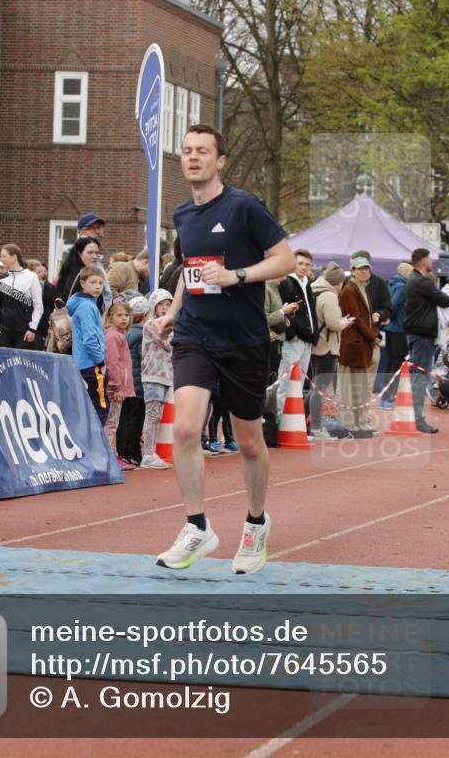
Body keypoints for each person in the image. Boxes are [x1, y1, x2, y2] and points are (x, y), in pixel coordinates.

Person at [153, 123, 294, 572]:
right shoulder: (182, 215)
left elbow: (286, 259)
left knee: (250, 442)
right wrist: (174, 311)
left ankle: (256, 524)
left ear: (220, 161)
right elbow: (191, 271)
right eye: (187, 150)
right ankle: (197, 526)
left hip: (243, 340)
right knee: (187, 429)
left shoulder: (243, 207)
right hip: (196, 336)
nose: (193, 157)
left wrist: (237, 276)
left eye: (202, 151)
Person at [404, 247, 449, 434]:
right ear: (424, 262)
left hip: (419, 334)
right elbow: (446, 301)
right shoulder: (422, 282)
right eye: (430, 260)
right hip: (422, 336)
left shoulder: (413, 280)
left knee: (418, 377)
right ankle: (417, 419)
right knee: (420, 378)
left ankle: (414, 417)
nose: (431, 263)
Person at [336, 256, 381, 438]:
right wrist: (373, 336)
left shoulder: (363, 289)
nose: (363, 271)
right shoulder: (349, 290)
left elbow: (368, 318)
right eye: (360, 268)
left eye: (366, 268)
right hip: (352, 345)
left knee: (361, 388)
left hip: (363, 345)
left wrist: (373, 334)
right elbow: (355, 318)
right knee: (350, 388)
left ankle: (360, 422)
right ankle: (350, 424)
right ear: (352, 270)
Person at [310, 262, 353, 438]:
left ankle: (314, 425)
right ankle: (316, 428)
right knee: (319, 388)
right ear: (339, 282)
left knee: (315, 386)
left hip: (315, 345)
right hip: (326, 347)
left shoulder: (315, 290)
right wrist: (346, 322)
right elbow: (334, 324)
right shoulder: (329, 296)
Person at [275, 250, 319, 419]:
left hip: (307, 340)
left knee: (298, 384)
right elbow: (281, 311)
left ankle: (293, 423)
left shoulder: (307, 283)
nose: (303, 267)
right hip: (293, 340)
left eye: (307, 264)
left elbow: (311, 312)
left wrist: (313, 335)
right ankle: (280, 422)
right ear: (293, 263)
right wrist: (290, 334)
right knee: (286, 384)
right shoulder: (286, 282)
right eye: (300, 263)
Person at [350, 250, 392, 421]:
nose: (357, 269)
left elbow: (388, 309)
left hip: (372, 340)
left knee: (367, 381)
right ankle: (349, 414)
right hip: (351, 340)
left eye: (361, 266)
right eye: (354, 265)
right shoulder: (348, 284)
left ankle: (363, 415)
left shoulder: (379, 284)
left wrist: (380, 315)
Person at [67, 266, 109, 428]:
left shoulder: (84, 304)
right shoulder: (87, 306)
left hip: (83, 364)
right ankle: (97, 449)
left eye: (100, 282)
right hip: (92, 365)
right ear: (82, 283)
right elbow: (90, 339)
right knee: (100, 407)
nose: (98, 286)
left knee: (87, 407)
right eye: (93, 282)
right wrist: (101, 362)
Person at [141, 288, 175, 470]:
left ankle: (151, 451)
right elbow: (170, 343)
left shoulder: (171, 326)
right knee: (152, 415)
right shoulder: (152, 325)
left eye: (168, 305)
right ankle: (148, 454)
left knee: (157, 415)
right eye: (161, 304)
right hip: (153, 375)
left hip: (166, 376)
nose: (164, 308)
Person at [103, 299, 136, 470]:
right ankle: (108, 457)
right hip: (115, 388)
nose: (124, 318)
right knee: (111, 422)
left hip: (119, 387)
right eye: (119, 315)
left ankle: (110, 453)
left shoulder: (118, 335)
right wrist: (116, 387)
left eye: (126, 315)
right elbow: (112, 362)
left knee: (113, 422)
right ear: (110, 317)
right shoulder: (113, 336)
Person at [117, 294, 148, 466]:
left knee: (123, 417)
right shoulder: (143, 335)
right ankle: (133, 453)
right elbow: (144, 358)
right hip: (138, 385)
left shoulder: (123, 335)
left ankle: (123, 452)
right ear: (145, 315)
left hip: (124, 382)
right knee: (136, 419)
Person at [0, 242, 43, 349]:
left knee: (20, 364)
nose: (1, 259)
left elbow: (38, 305)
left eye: (4, 256)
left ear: (14, 257)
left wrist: (32, 329)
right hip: (5, 331)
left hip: (24, 331)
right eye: (0, 256)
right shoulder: (1, 279)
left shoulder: (31, 277)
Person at [381, 261, 412, 407]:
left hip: (391, 330)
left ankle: (385, 397)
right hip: (398, 330)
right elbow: (392, 305)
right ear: (405, 272)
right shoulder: (402, 286)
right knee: (397, 364)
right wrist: (391, 317)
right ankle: (389, 398)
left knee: (390, 363)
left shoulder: (391, 284)